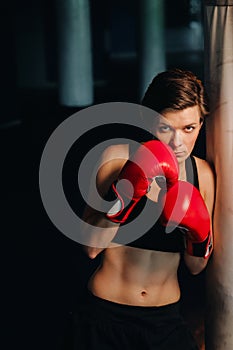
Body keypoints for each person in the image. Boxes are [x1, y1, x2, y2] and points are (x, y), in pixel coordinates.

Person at [71, 68, 215, 349]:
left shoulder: (203, 175)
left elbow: (196, 267)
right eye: (165, 128)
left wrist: (199, 234)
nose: (178, 142)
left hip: (166, 321)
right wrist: (126, 192)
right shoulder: (117, 158)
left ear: (200, 123)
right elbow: (91, 248)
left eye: (189, 128)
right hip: (105, 317)